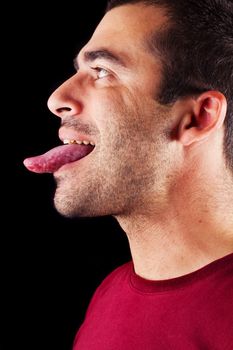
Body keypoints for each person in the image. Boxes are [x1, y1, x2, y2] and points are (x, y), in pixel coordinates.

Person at [24, 0, 233, 348]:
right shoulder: (108, 297)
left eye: (103, 71)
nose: (57, 97)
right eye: (77, 70)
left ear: (198, 118)